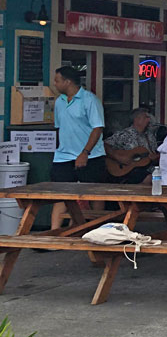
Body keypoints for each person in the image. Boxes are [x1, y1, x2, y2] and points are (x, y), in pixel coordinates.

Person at [50, 66, 107, 230]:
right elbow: (59, 128)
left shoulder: (90, 100)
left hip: (91, 155)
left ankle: (97, 228)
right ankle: (55, 233)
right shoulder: (59, 101)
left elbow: (97, 128)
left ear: (67, 82)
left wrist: (85, 153)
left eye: (57, 80)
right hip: (63, 156)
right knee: (61, 194)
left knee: (95, 193)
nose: (55, 84)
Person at [103, 107, 159, 184]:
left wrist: (156, 157)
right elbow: (104, 145)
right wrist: (118, 157)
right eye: (146, 117)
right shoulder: (124, 134)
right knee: (148, 177)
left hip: (147, 169)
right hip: (126, 170)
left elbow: (154, 155)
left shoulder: (150, 136)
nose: (149, 120)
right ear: (137, 119)